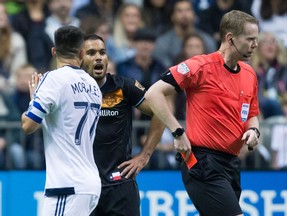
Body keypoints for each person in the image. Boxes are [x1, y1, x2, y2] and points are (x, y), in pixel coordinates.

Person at [145, 10, 260, 216]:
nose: (255, 44)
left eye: (256, 39)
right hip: (203, 162)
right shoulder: (200, 66)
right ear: (230, 38)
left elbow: (252, 113)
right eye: (250, 39)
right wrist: (177, 132)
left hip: (231, 164)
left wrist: (253, 131)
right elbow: (154, 93)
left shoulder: (249, 73)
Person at [21, 26, 102, 215]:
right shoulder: (93, 86)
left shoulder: (53, 79)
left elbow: (28, 125)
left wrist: (33, 102)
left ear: (54, 51)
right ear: (82, 53)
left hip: (67, 184)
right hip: (89, 182)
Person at [81, 33, 165, 216]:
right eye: (91, 52)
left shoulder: (124, 87)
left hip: (119, 186)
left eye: (102, 52)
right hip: (83, 188)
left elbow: (161, 113)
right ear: (80, 58)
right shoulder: (71, 91)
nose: (98, 57)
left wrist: (145, 155)